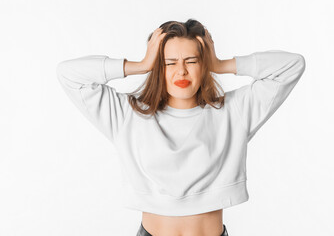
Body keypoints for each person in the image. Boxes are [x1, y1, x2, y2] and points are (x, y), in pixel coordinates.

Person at [56, 19, 306, 236]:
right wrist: (140, 65)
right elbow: (68, 74)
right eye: (169, 62)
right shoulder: (128, 115)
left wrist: (220, 64)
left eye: (192, 61)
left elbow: (292, 65)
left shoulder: (233, 111)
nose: (182, 71)